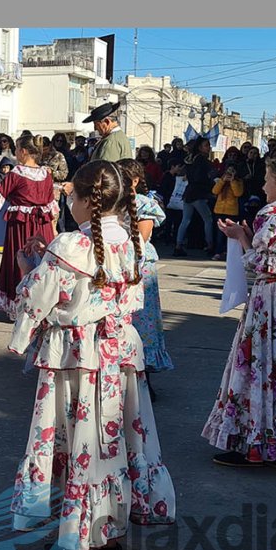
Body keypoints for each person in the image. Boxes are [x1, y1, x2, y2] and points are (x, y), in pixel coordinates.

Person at [7, 160, 175, 550]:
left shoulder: (70, 245)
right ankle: (108, 532)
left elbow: (35, 300)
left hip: (78, 355)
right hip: (118, 353)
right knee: (113, 439)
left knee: (79, 439)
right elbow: (132, 300)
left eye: (73, 195)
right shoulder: (133, 242)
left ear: (85, 200)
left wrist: (29, 269)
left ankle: (81, 536)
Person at [202, 156, 276, 469]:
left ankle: (255, 442)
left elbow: (258, 260)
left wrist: (240, 237)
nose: (263, 184)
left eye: (268, 179)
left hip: (270, 297)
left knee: (261, 365)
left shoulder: (272, 212)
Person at [0, 135, 57, 320]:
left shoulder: (17, 173)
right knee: (43, 262)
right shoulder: (46, 174)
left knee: (20, 259)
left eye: (17, 149)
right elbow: (52, 206)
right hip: (42, 226)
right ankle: (43, 304)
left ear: (24, 151)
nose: (15, 153)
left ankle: (21, 305)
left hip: (21, 225)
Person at [116, 159, 174, 397]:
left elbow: (142, 236)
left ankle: (143, 378)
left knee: (142, 320)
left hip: (138, 266)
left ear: (135, 180)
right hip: (117, 264)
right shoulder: (112, 202)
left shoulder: (143, 203)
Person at [173, 137, 215, 257]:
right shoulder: (202, 160)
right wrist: (210, 184)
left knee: (185, 220)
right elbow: (204, 177)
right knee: (208, 219)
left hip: (189, 193)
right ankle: (210, 245)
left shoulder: (190, 159)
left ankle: (178, 245)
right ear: (200, 147)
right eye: (206, 145)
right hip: (198, 193)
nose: (209, 148)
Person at [210, 164, 244, 260]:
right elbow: (215, 191)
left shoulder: (239, 181)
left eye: (232, 171)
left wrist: (232, 181)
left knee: (229, 234)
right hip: (219, 210)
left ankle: (228, 252)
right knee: (219, 234)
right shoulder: (221, 180)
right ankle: (217, 252)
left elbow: (238, 193)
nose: (229, 173)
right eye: (228, 171)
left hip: (231, 211)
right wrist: (222, 181)